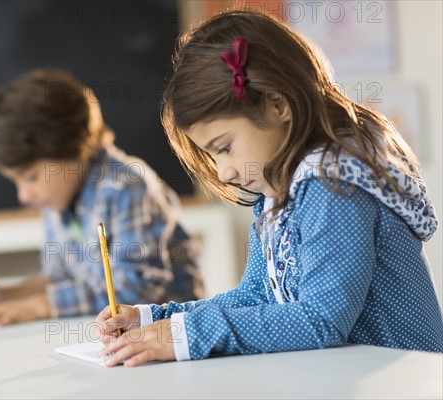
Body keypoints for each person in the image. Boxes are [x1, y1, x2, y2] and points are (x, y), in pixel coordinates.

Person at [95, 9, 443, 367]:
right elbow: (256, 295)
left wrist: (189, 335)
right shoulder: (280, 191)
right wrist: (157, 320)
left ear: (278, 104)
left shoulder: (333, 183)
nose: (224, 171)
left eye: (224, 147)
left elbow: (322, 319)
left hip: (399, 382)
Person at [0, 68, 204, 327]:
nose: (24, 195)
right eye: (16, 181)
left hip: (171, 337)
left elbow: (136, 290)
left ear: (71, 149)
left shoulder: (125, 186)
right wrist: (4, 295)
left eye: (31, 177)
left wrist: (41, 305)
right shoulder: (58, 200)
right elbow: (62, 280)